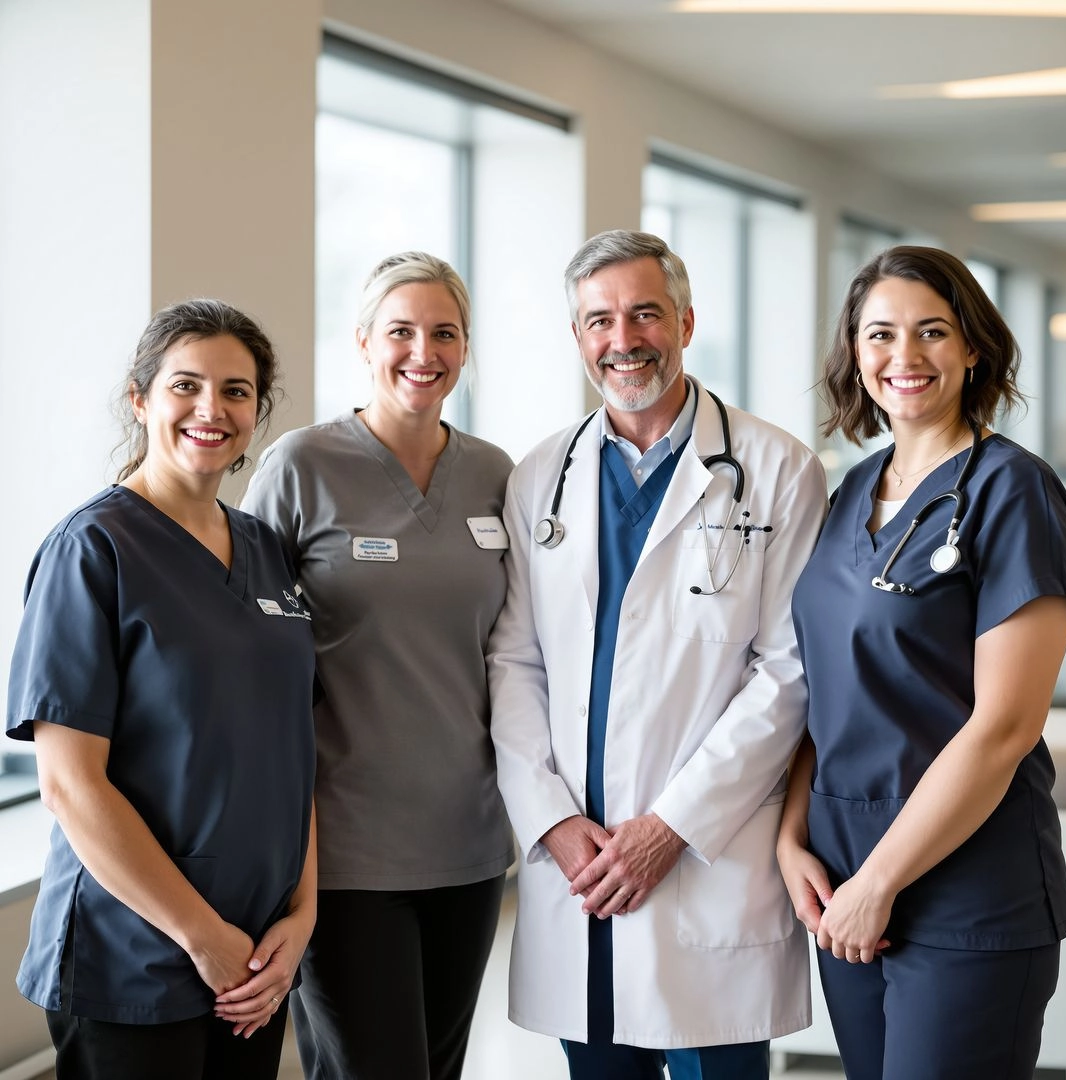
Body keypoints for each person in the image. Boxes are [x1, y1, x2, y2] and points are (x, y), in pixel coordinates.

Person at [486, 229, 828, 1079]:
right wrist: (553, 821)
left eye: (645, 313)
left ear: (684, 319)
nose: (624, 338)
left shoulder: (777, 469)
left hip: (707, 861)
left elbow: (787, 673)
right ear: (578, 337)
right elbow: (514, 660)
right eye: (599, 320)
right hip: (579, 864)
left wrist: (671, 828)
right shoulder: (541, 476)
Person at [777, 245, 1066, 1080]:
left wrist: (881, 880)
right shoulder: (848, 495)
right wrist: (790, 835)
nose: (903, 357)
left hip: (966, 891)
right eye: (880, 334)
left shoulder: (1015, 491)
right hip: (843, 880)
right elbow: (824, 691)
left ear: (973, 347)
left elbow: (1006, 727)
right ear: (855, 351)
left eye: (932, 332)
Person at [5, 299, 317, 1080]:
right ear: (141, 399)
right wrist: (203, 937)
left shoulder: (266, 549)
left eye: (236, 391)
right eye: (186, 386)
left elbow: (293, 750)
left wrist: (302, 915)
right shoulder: (93, 549)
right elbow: (69, 786)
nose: (211, 410)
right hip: (135, 957)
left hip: (256, 955)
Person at [241, 251, 515, 1080]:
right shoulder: (301, 467)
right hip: (343, 849)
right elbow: (245, 649)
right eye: (400, 331)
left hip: (469, 843)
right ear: (363, 343)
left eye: (444, 333)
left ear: (465, 349)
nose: (422, 352)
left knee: (437, 1069)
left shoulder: (497, 476)